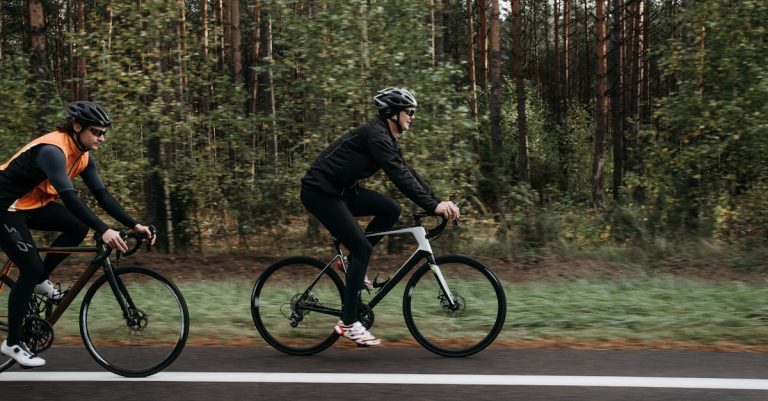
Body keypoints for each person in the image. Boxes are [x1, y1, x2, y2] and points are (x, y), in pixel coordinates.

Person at [0, 101, 156, 368]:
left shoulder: (82, 155)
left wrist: (134, 225)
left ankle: (41, 280)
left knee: (76, 226)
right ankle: (13, 341)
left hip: (28, 203)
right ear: (76, 126)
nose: (101, 138)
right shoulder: (53, 150)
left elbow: (102, 195)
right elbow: (69, 198)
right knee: (29, 266)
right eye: (96, 131)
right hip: (3, 206)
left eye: (104, 132)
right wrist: (104, 229)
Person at [300, 87, 460, 346]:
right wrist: (433, 206)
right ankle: (349, 322)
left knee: (391, 209)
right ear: (393, 113)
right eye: (409, 112)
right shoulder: (376, 136)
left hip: (342, 192)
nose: (412, 117)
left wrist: (437, 202)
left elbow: (407, 171)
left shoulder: (385, 137)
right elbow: (399, 177)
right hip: (320, 193)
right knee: (362, 248)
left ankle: (350, 263)